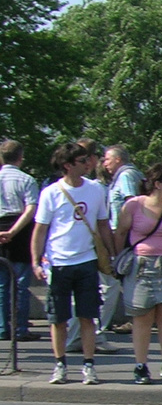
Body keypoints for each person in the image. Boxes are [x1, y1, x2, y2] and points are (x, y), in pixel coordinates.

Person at [30, 142, 112, 384]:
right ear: (67, 165)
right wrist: (36, 261)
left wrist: (112, 253)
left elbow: (103, 224)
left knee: (88, 315)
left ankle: (88, 365)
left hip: (86, 260)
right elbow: (40, 230)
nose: (88, 164)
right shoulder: (51, 193)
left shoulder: (96, 189)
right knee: (58, 318)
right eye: (82, 160)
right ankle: (60, 364)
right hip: (58, 262)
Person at [115, 163, 162, 384]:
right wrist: (117, 260)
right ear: (158, 184)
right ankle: (141, 366)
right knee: (142, 317)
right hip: (141, 265)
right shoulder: (134, 206)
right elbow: (120, 233)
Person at [99, 145, 144, 333]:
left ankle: (135, 319)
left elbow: (131, 202)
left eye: (107, 159)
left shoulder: (125, 176)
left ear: (118, 159)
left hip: (124, 233)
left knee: (126, 275)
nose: (105, 164)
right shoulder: (127, 175)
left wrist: (122, 235)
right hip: (124, 232)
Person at [0, 139, 40, 341]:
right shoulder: (27, 180)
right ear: (20, 157)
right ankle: (20, 328)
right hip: (21, 229)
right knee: (21, 283)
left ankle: (2, 326)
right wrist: (14, 231)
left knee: (2, 283)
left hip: (1, 226)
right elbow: (31, 209)